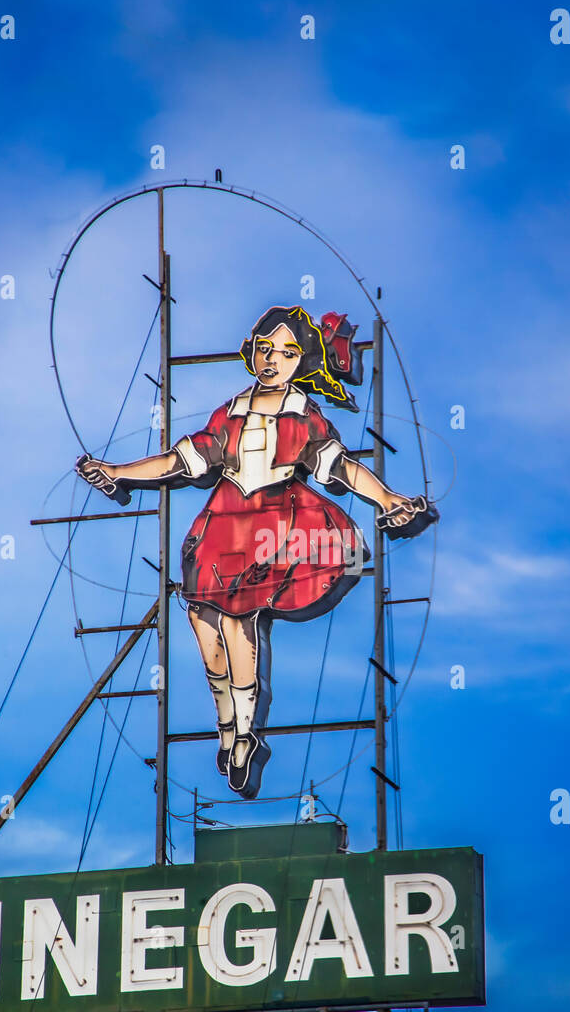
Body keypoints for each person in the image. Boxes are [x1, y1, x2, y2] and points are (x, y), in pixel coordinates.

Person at [76, 305, 436, 798]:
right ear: (253, 352)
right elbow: (180, 460)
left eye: (287, 352)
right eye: (266, 349)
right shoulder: (230, 412)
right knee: (205, 633)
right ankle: (226, 729)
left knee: (238, 622)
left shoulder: (303, 415)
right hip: (221, 526)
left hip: (270, 522)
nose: (273, 360)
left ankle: (245, 737)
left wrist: (389, 499)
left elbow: (340, 468)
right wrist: (119, 473)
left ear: (301, 361)